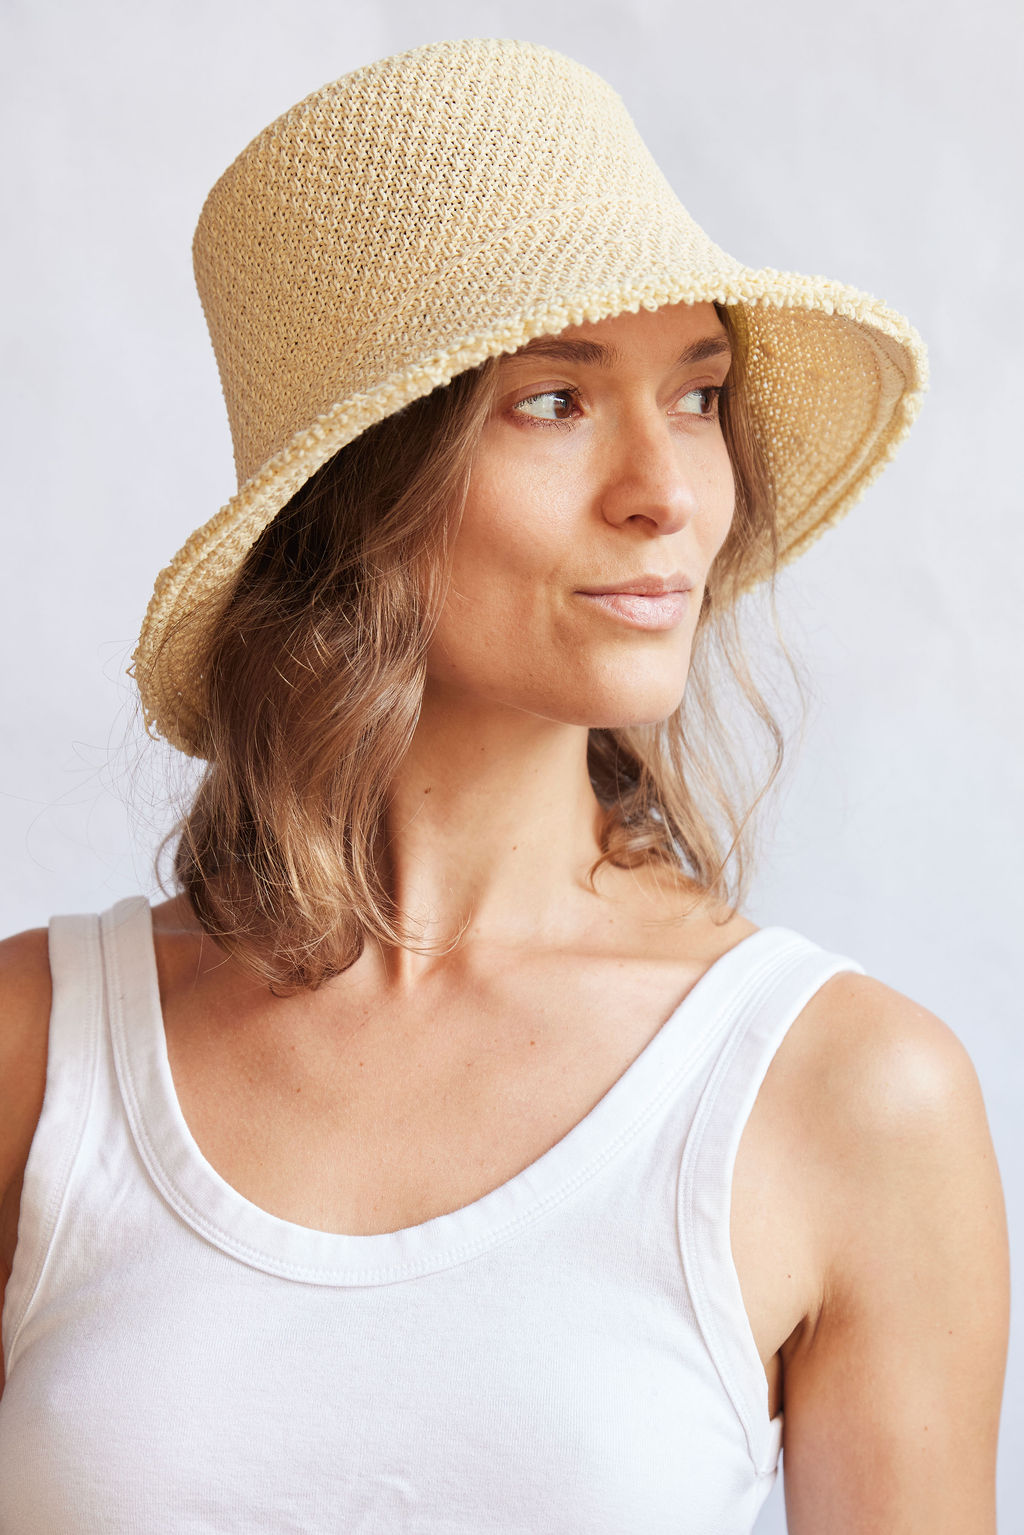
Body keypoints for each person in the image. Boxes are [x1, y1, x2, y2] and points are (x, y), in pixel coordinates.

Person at [0, 36, 1009, 1535]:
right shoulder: (39, 1057)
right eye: (553, 401)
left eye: (700, 395)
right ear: (355, 488)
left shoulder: (849, 1094)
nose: (667, 494)